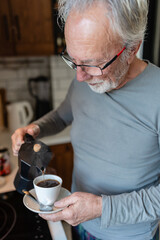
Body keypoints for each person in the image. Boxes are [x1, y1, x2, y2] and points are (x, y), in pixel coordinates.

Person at [11, 0, 160, 239]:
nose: (80, 77)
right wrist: (36, 128)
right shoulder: (85, 77)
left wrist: (101, 208)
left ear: (132, 49)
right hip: (80, 225)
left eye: (91, 64)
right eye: (73, 60)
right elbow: (62, 116)